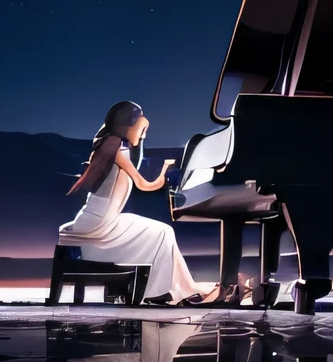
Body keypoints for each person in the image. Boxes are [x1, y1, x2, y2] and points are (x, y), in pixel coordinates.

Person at [59, 100, 218, 305]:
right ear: (127, 125)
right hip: (99, 224)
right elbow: (145, 185)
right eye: (141, 130)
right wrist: (164, 172)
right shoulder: (117, 151)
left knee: (162, 232)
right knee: (162, 232)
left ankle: (181, 288)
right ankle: (159, 291)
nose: (143, 136)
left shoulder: (109, 147)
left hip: (101, 218)